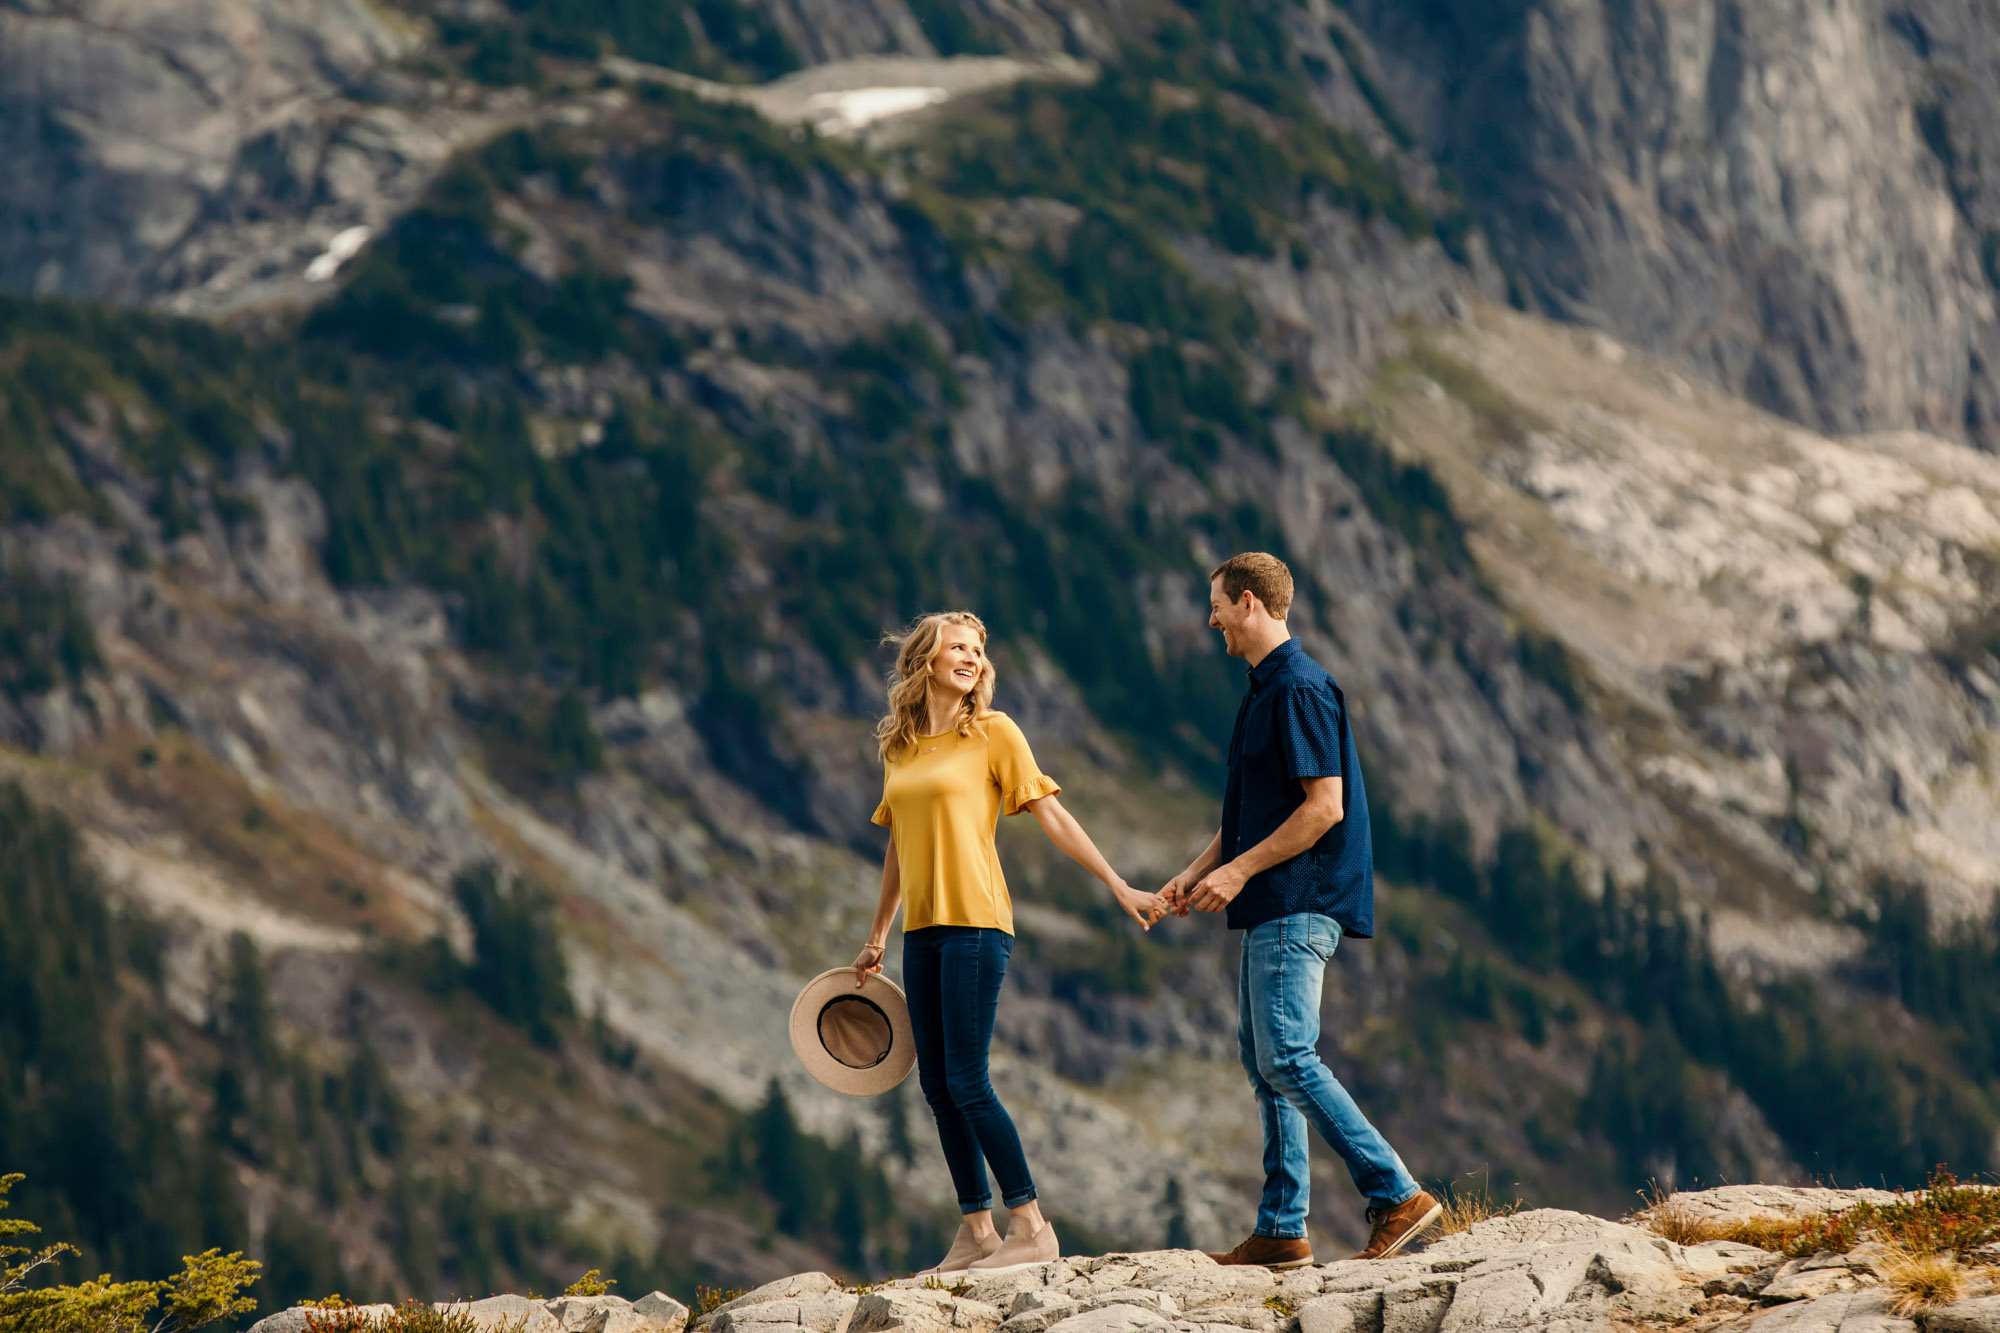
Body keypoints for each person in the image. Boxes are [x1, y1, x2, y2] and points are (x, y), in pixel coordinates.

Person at [854, 611, 1164, 1274]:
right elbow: (897, 849)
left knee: (968, 1078)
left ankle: (1031, 1224)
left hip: (977, 923)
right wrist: (877, 935)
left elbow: (1050, 810)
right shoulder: (899, 746)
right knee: (937, 1085)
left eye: (977, 650)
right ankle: (976, 1230)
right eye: (957, 647)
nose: (970, 657)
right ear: (924, 660)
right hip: (923, 932)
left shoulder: (993, 733)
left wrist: (1116, 883)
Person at [1161, 553, 1440, 1266]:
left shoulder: (1299, 689)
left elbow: (1324, 807)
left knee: (1287, 1052)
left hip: (1298, 899)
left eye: (1216, 604)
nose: (1211, 618)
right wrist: (1194, 875)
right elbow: (1252, 813)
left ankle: (1397, 1193)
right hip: (1268, 901)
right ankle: (1283, 1228)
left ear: (1248, 602)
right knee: (1265, 1060)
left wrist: (1240, 870)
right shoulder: (1264, 692)